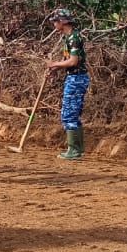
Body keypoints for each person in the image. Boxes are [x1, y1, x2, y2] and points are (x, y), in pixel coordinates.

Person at [47, 8, 90, 161]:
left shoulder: (74, 38)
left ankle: (73, 150)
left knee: (69, 113)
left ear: (63, 22)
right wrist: (55, 67)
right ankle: (78, 148)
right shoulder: (69, 38)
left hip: (77, 79)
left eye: (56, 21)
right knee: (73, 113)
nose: (54, 24)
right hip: (74, 77)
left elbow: (73, 61)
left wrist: (55, 64)